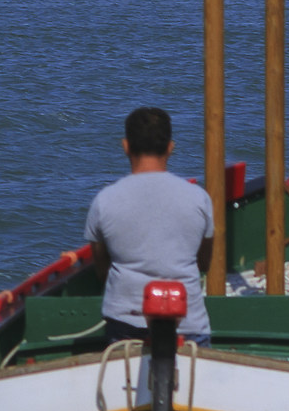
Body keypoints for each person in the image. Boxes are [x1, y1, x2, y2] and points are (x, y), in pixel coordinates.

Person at [85, 106, 214, 344]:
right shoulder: (199, 199)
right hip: (189, 326)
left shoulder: (104, 201)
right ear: (170, 148)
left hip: (125, 327)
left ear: (125, 146)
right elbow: (204, 262)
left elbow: (102, 269)